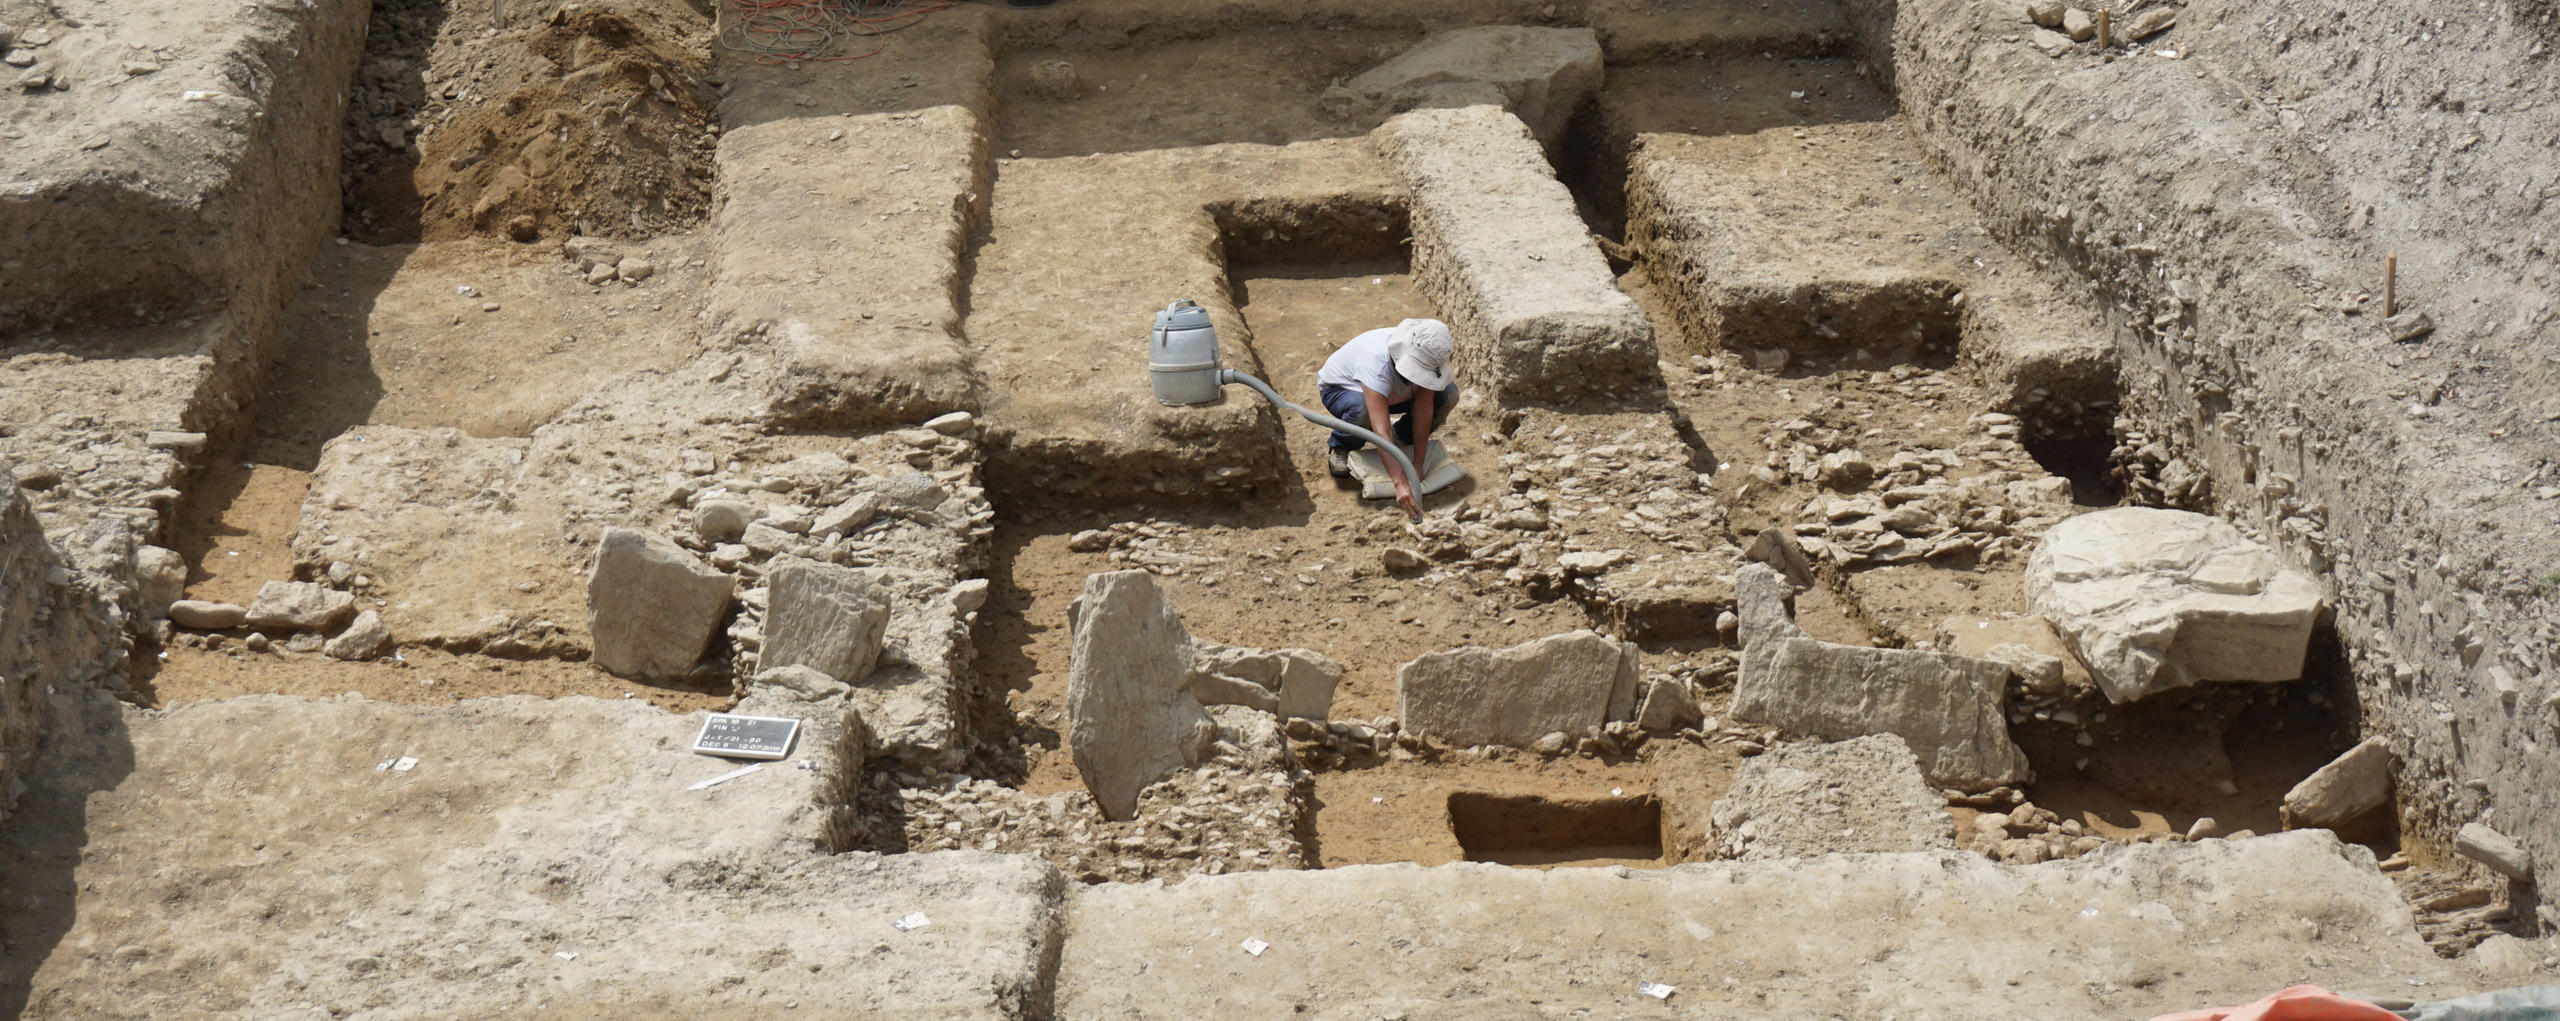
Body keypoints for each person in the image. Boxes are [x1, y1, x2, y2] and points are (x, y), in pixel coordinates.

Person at [1316, 317, 1456, 518]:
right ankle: (1343, 446)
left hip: (1392, 393)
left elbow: (1424, 410)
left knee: (1448, 394)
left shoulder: (1430, 355)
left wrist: (1417, 464)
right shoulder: (1377, 362)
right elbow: (1380, 430)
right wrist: (1400, 483)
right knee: (1362, 412)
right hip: (1344, 389)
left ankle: (1401, 437)